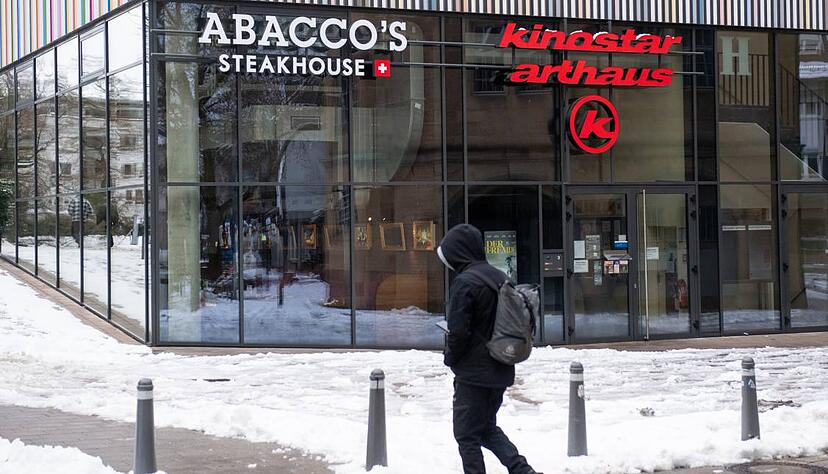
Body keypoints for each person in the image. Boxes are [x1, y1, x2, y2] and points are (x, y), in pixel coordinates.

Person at [437, 224, 540, 474]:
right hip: (501, 366)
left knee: (466, 435)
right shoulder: (500, 277)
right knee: (485, 429)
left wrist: (450, 358)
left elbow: (458, 332)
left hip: (474, 374)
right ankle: (523, 470)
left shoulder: (465, 282)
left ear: (457, 253)